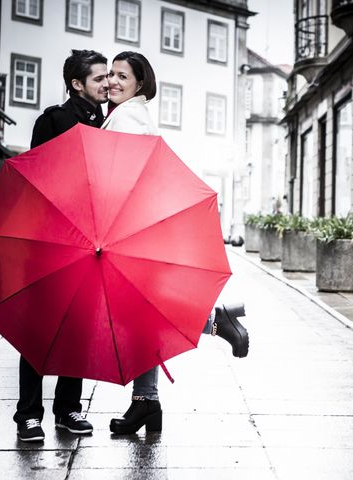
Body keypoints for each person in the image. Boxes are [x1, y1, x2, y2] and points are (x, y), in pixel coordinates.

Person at [101, 51, 250, 435]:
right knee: (141, 320)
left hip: (129, 233)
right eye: (111, 74)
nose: (113, 81)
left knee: (144, 313)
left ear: (139, 83)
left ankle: (215, 320)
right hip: (134, 232)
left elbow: (124, 180)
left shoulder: (129, 119)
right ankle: (146, 401)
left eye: (122, 76)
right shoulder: (128, 116)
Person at [13, 49, 109, 443]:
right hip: (52, 242)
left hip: (92, 243)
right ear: (77, 84)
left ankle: (68, 409)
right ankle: (28, 415)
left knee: (79, 329)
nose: (108, 83)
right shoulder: (53, 120)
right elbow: (36, 181)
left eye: (108, 77)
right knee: (38, 330)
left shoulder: (109, 125)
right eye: (100, 77)